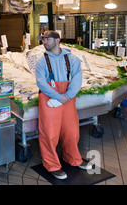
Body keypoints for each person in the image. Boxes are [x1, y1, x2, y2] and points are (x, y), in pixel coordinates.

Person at [35, 30, 92, 180]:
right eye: (43, 40)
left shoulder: (72, 59)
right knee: (49, 133)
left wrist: (67, 96)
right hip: (49, 98)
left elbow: (77, 79)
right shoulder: (41, 60)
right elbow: (41, 82)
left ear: (57, 40)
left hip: (67, 99)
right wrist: (59, 96)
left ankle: (72, 158)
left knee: (71, 131)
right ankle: (52, 165)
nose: (44, 42)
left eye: (47, 39)